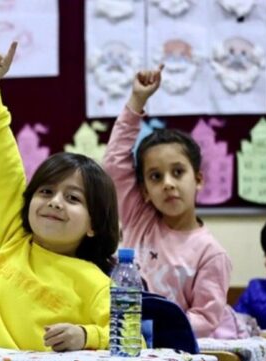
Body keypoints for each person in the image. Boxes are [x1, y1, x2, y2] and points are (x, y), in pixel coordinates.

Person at [0, 43, 119, 352]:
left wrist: (86, 335)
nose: (55, 202)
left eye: (73, 199)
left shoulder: (96, 283)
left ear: (94, 225)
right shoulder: (15, 239)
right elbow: (3, 162)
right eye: (46, 191)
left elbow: (135, 341)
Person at [102, 66, 245, 339]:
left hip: (177, 355)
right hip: (127, 343)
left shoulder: (211, 254)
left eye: (178, 172)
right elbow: (113, 163)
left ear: (199, 179)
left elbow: (205, 317)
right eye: (156, 177)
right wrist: (136, 102)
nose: (168, 183)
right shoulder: (137, 218)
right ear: (144, 191)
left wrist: (152, 330)